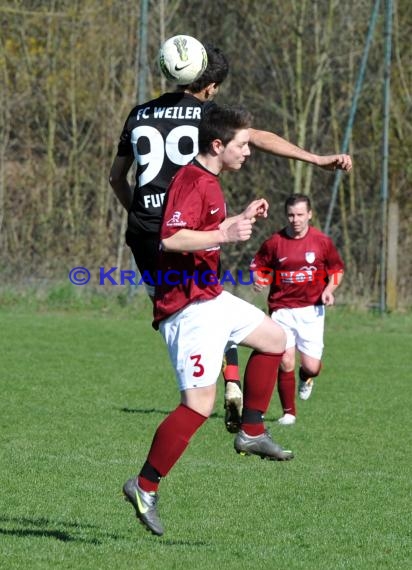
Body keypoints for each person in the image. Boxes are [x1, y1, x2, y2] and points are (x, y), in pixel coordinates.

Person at [109, 40, 352, 433]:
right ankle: (222, 388)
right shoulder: (208, 116)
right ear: (206, 83)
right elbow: (257, 137)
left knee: (182, 311)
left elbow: (116, 179)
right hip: (189, 227)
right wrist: (316, 158)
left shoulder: (138, 114)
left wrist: (142, 219)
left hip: (144, 234)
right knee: (204, 306)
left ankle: (222, 383)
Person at [122, 106, 294, 537]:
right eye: (242, 145)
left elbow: (208, 228)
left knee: (277, 338)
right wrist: (224, 233)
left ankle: (251, 430)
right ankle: (144, 486)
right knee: (198, 406)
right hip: (187, 308)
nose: (248, 152)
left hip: (210, 296)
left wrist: (241, 219)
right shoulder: (195, 181)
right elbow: (170, 237)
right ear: (218, 146)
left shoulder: (209, 179)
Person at [250, 193, 344, 425]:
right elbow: (258, 265)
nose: (296, 219)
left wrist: (329, 290)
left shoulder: (322, 242)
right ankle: (289, 413)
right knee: (286, 360)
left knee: (311, 366)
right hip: (282, 309)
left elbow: (336, 270)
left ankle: (307, 378)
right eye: (291, 215)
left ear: (310, 215)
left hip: (312, 310)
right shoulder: (275, 242)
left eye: (300, 214)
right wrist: (259, 279)